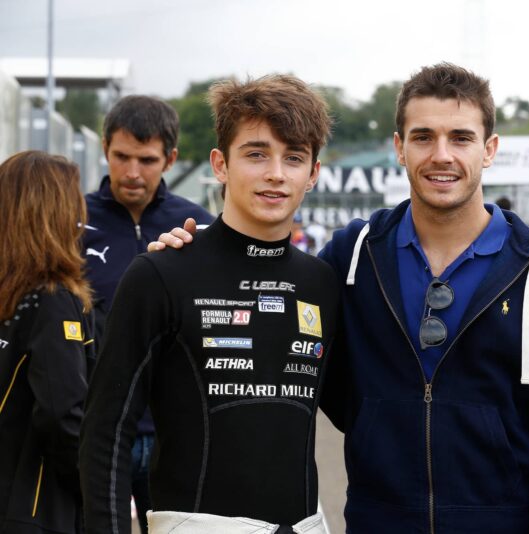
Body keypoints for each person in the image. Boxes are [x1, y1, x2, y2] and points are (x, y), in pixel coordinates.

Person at [152, 63, 529, 533]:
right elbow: (271, 290)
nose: (441, 155)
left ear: (489, 150)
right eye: (423, 137)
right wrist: (189, 258)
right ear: (399, 148)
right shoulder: (352, 255)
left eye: (461, 138)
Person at [80, 76, 338, 534]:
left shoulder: (321, 282)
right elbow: (106, 434)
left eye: (294, 157)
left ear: (313, 173)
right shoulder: (160, 273)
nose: (276, 173)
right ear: (220, 164)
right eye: (256, 153)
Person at [82, 95, 214, 533]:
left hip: (171, 437)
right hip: (96, 435)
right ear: (105, 149)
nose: (132, 172)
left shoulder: (197, 225)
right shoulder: (71, 220)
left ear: (171, 158)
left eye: (147, 159)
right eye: (121, 156)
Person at [0, 151, 95, 534]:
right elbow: (61, 415)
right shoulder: (53, 300)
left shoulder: (14, 295)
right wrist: (95, 487)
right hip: (35, 512)